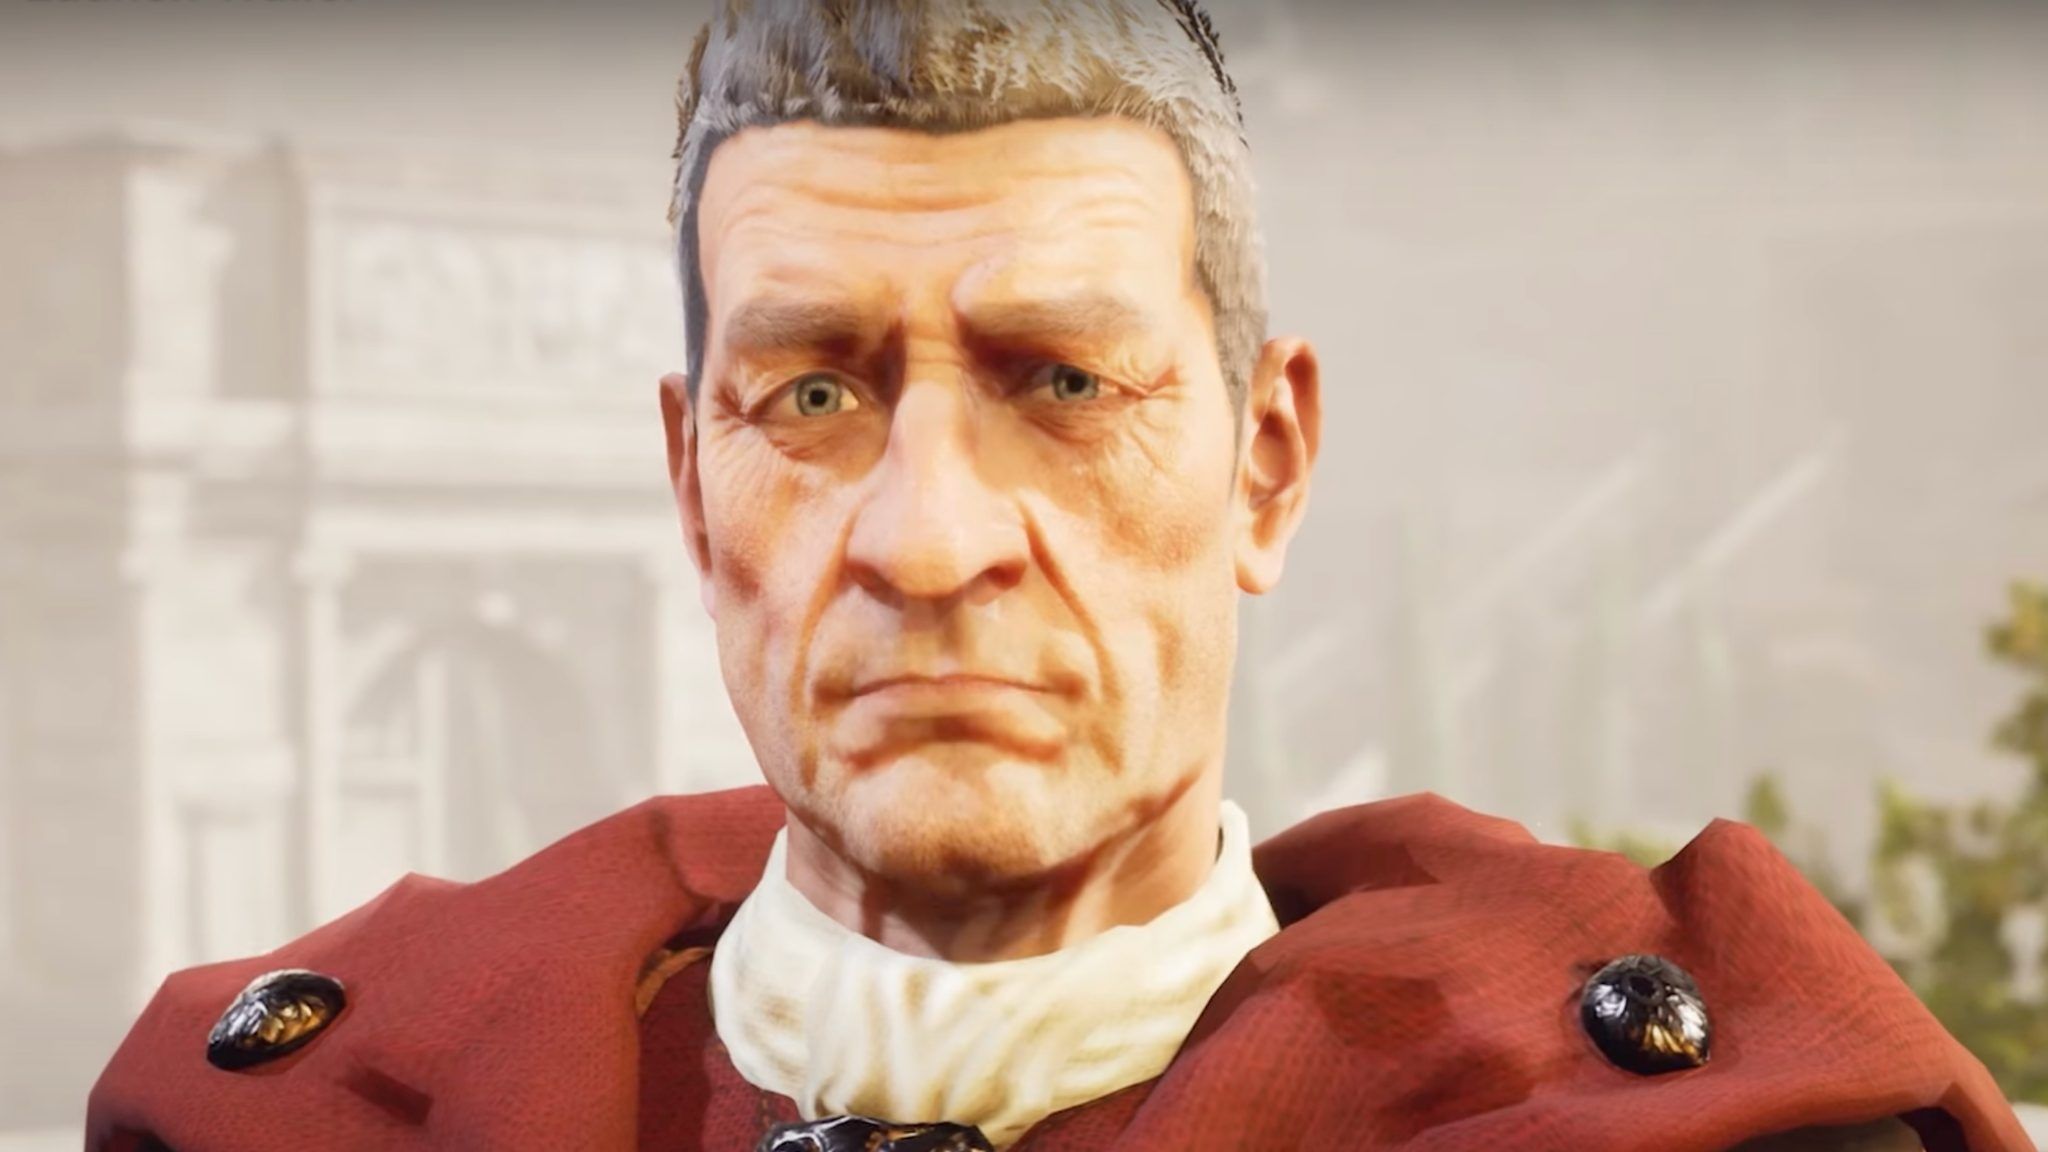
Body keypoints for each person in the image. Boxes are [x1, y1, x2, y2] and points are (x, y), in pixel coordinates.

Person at [86, 2, 2033, 1150]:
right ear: (690, 484)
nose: (931, 540)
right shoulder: (289, 1120)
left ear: (1263, 463)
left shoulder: (1712, 1133)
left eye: (1064, 384)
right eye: (814, 393)